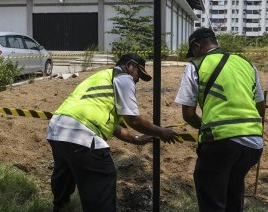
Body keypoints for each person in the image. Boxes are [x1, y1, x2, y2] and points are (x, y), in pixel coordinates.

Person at [47, 53, 179, 212]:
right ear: (130, 66)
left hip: (58, 131)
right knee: (102, 181)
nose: (137, 80)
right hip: (81, 135)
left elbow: (115, 126)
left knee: (64, 190)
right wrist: (161, 132)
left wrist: (137, 139)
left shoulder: (101, 76)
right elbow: (134, 120)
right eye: (138, 74)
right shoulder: (124, 78)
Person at [175, 28, 266, 212]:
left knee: (211, 198)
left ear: (197, 46)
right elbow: (260, 105)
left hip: (220, 142)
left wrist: (204, 127)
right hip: (253, 144)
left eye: (192, 51)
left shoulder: (196, 65)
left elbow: (188, 114)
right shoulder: (246, 64)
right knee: (233, 192)